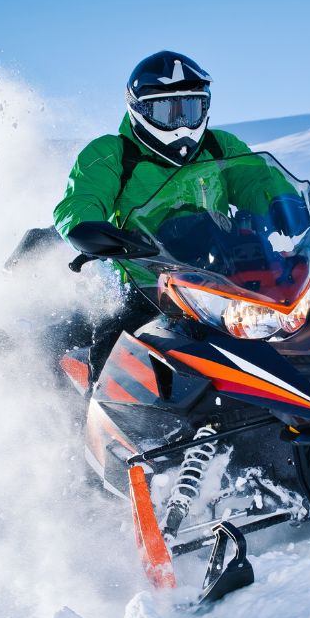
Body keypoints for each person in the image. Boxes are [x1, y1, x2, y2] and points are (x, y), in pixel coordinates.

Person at [51, 50, 265, 378]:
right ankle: (88, 419)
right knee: (114, 354)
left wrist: (292, 205)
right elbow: (80, 201)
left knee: (295, 330)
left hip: (227, 283)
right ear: (139, 109)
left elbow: (261, 183)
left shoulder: (221, 147)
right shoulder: (112, 153)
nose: (181, 122)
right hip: (147, 286)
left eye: (190, 108)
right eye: (168, 110)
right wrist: (87, 229)